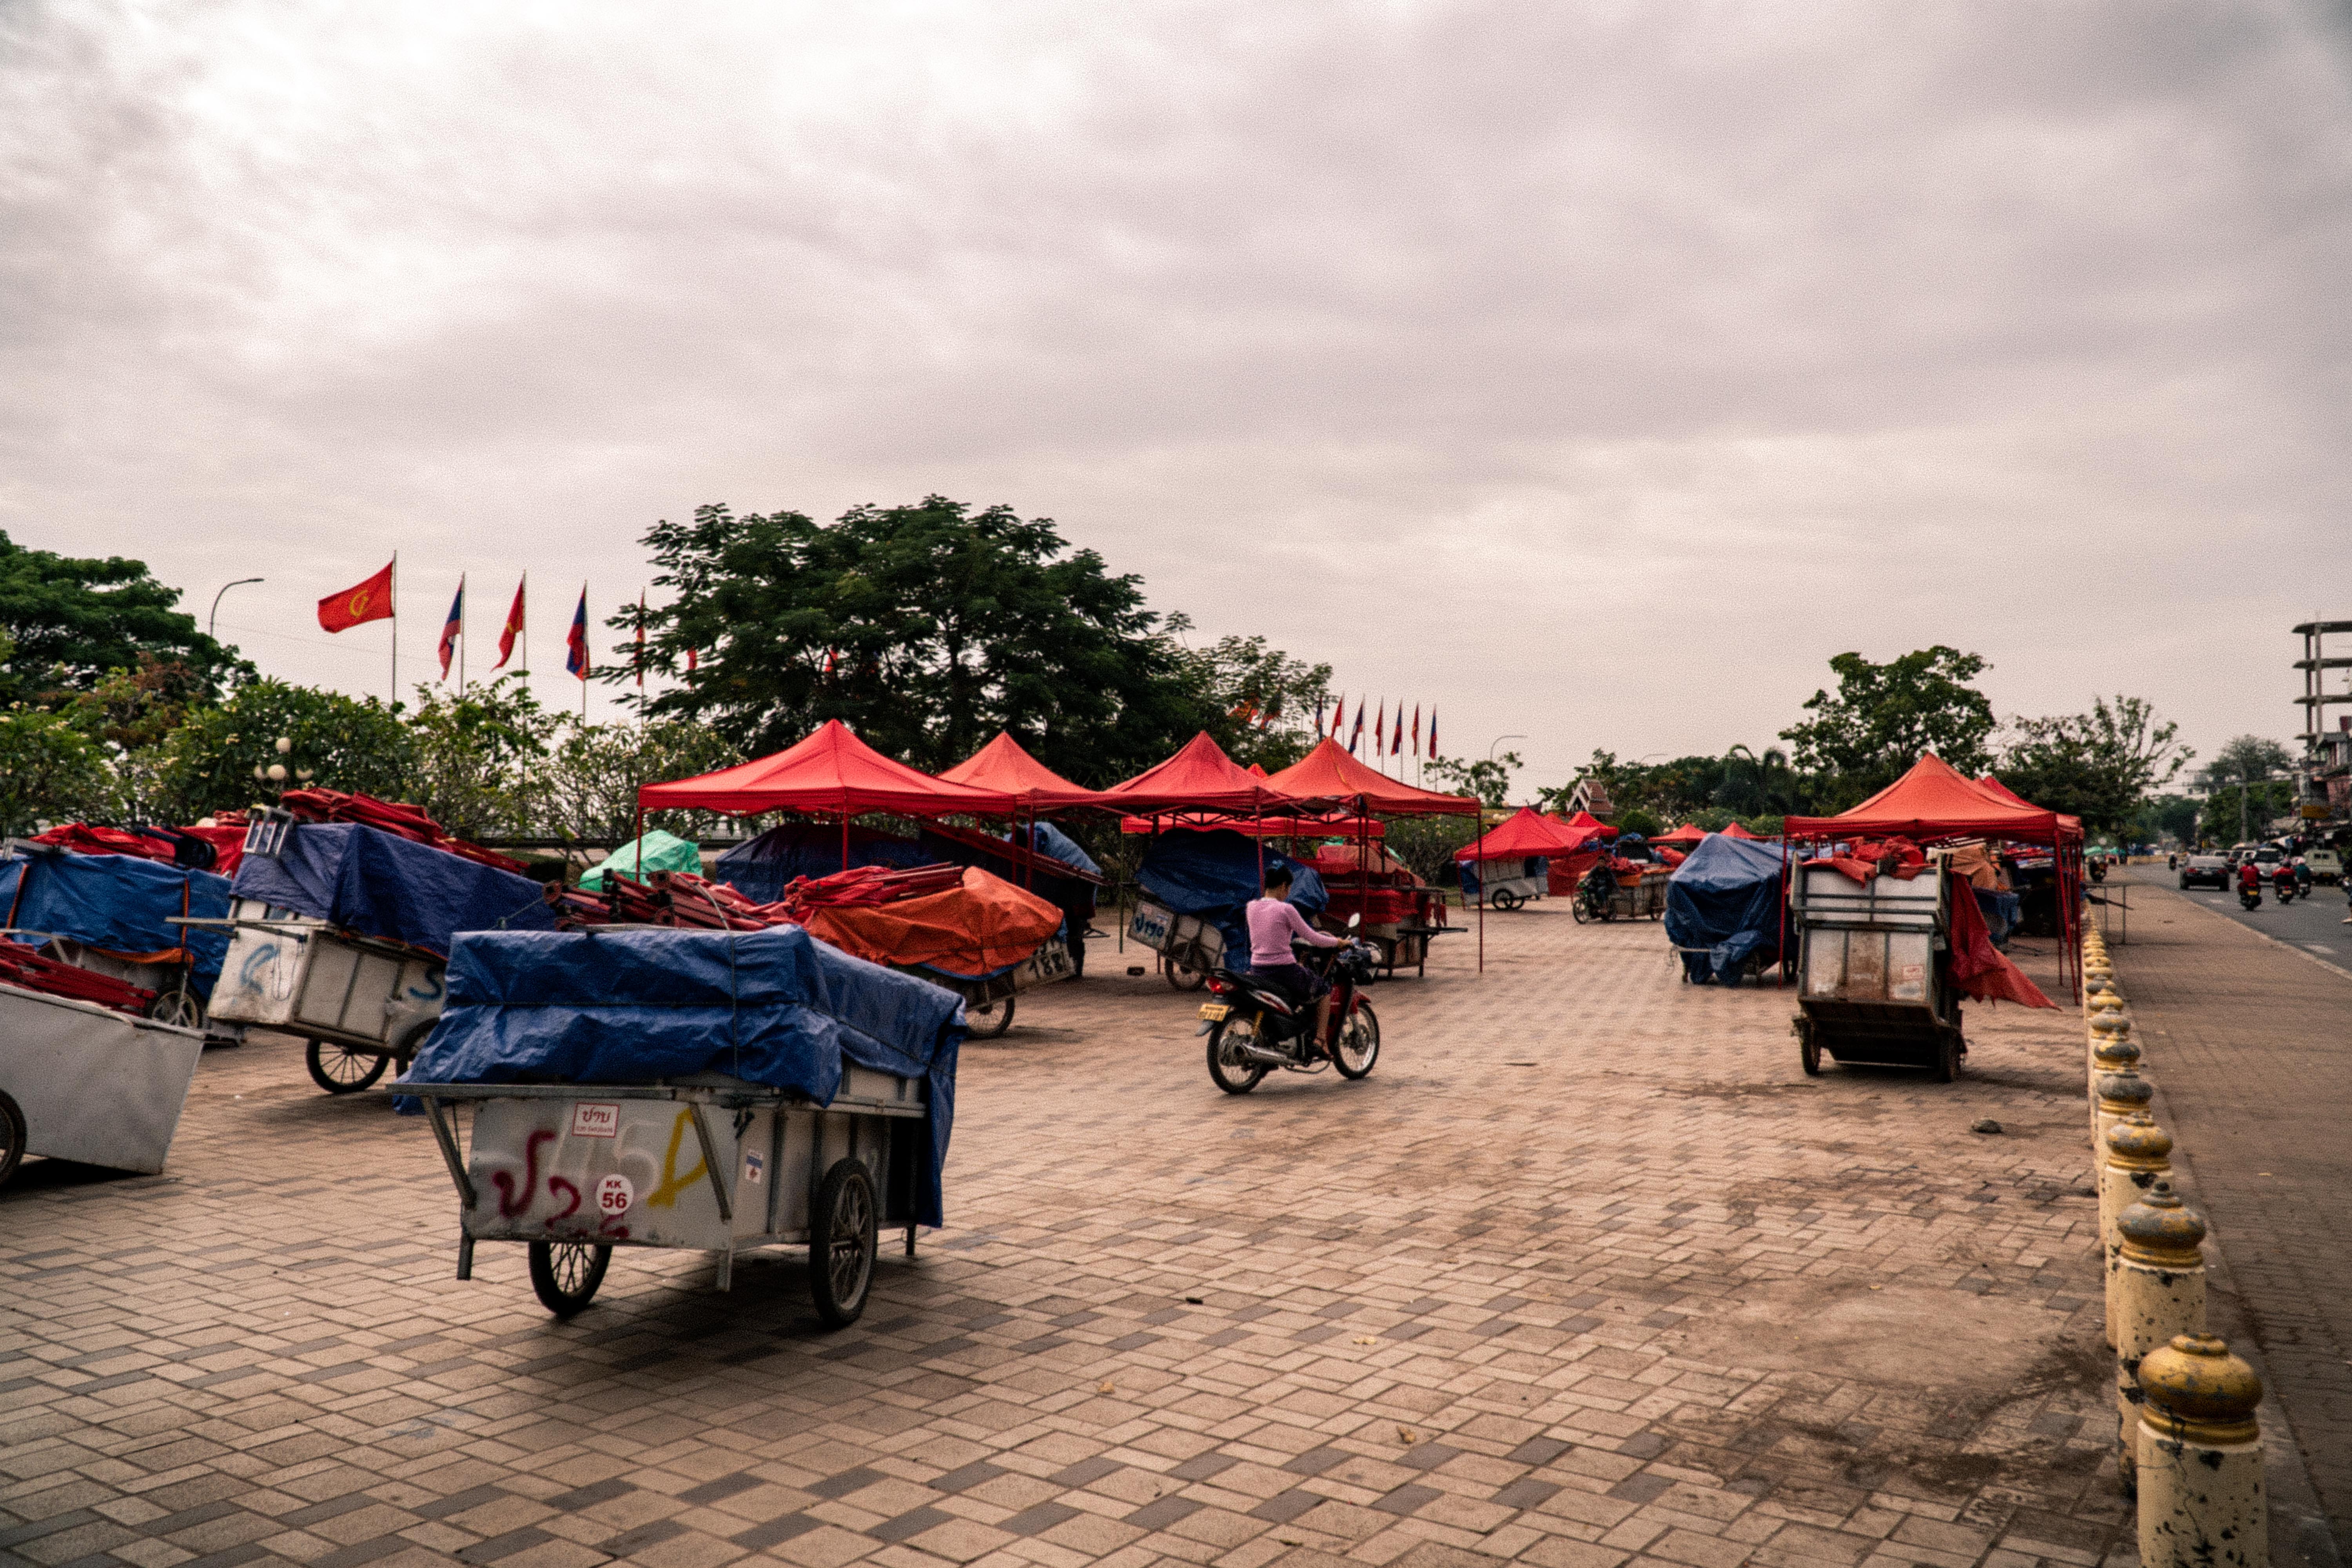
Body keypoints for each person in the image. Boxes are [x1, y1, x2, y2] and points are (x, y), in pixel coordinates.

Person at [1247, 866, 1342, 1053]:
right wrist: (1338, 942)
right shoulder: (1286, 909)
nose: (1288, 893)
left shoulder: (1251, 907)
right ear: (1284, 886)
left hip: (1257, 970)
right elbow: (1312, 937)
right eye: (1289, 889)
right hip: (1283, 972)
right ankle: (1320, 1041)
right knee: (1324, 990)